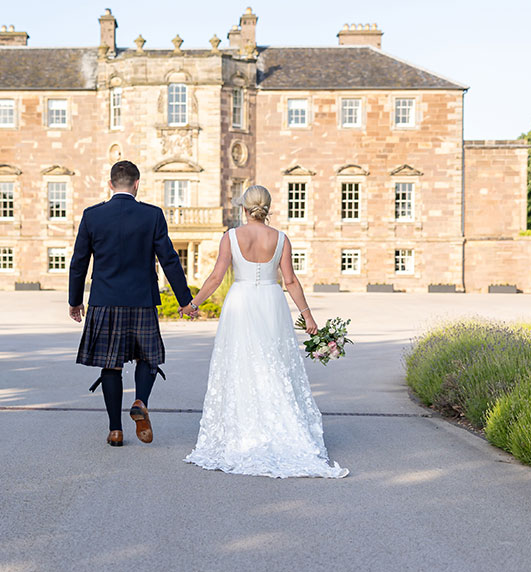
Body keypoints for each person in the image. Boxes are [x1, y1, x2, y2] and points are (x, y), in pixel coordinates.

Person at [184, 185, 348, 478]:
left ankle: (246, 431)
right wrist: (308, 317)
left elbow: (216, 276)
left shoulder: (231, 237)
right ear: (267, 208)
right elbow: (291, 281)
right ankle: (282, 429)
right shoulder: (281, 238)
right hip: (272, 301)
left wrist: (193, 303)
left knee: (241, 365)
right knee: (274, 364)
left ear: (243, 209)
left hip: (241, 302)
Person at [68, 160, 197, 447]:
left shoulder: (92, 216)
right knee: (147, 359)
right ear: (137, 184)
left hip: (105, 302)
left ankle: (115, 430)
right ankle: (140, 401)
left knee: (110, 366)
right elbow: (169, 260)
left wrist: (75, 301)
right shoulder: (152, 216)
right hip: (141, 301)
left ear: (110, 184)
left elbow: (78, 263)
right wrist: (185, 301)